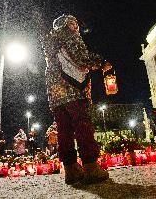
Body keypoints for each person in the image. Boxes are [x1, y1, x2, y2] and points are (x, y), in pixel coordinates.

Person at [44, 14, 109, 184]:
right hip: (73, 89)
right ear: (67, 24)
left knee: (63, 130)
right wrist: (101, 62)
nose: (76, 27)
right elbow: (81, 57)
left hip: (56, 95)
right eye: (74, 23)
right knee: (83, 125)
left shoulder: (50, 45)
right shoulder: (69, 35)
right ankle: (91, 166)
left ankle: (71, 170)